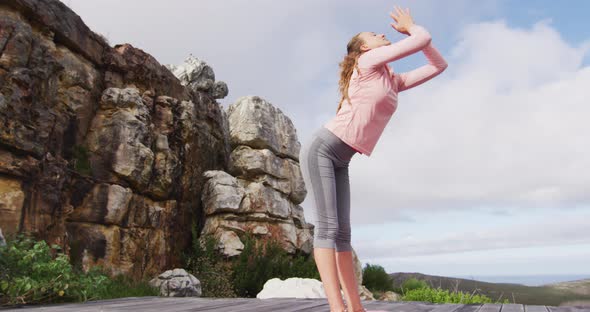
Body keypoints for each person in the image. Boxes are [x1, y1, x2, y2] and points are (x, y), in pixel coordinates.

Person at [299, 5, 448, 312]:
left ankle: (356, 307)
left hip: (341, 159)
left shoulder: (392, 80)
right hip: (323, 148)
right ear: (364, 47)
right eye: (373, 34)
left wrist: (420, 37)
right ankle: (336, 308)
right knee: (327, 229)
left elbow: (438, 65)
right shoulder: (367, 62)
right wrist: (412, 28)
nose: (382, 34)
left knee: (343, 234)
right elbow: (421, 39)